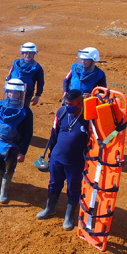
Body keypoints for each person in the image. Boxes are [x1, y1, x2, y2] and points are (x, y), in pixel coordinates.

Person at [36, 89, 88, 230]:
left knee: (73, 188)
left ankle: (69, 217)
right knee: (54, 183)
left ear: (80, 103)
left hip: (75, 162)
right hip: (57, 158)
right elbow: (54, 133)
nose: (67, 106)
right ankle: (50, 208)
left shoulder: (88, 118)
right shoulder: (62, 112)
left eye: (71, 104)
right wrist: (51, 154)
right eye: (66, 103)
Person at [0, 79, 34, 203]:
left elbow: (28, 133)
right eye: (10, 92)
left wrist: (23, 152)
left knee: (9, 167)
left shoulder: (26, 112)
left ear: (20, 94)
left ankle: (4, 191)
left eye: (15, 92)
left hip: (13, 146)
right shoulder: (1, 105)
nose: (12, 94)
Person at [6, 42, 45, 108]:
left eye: (30, 53)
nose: (28, 55)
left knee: (23, 110)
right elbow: (9, 77)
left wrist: (37, 96)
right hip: (12, 92)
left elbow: (40, 83)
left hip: (26, 94)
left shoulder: (37, 68)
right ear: (23, 53)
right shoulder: (15, 64)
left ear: (34, 54)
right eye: (26, 53)